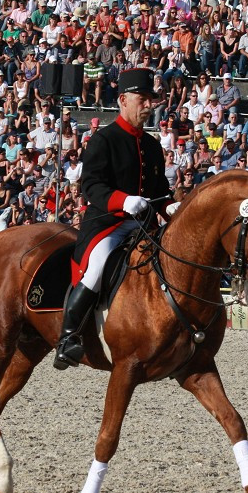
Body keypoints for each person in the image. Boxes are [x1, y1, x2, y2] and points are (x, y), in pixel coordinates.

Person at [54, 68, 171, 370]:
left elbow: (160, 190)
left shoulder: (152, 145)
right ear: (123, 100)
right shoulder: (104, 139)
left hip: (145, 225)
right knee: (97, 265)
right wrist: (124, 199)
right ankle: (68, 337)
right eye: (142, 99)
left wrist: (170, 207)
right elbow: (91, 186)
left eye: (150, 100)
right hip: (109, 223)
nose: (148, 105)